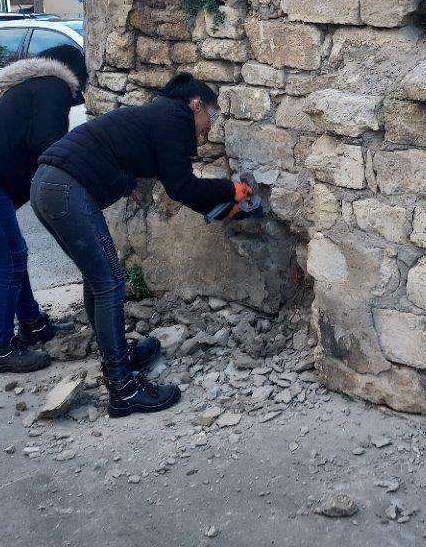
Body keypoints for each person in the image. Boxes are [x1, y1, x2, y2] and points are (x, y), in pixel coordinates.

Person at [31, 72, 258, 418]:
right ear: (196, 105)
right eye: (210, 117)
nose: (208, 128)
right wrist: (231, 190)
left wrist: (223, 208)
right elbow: (182, 186)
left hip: (48, 185)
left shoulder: (159, 115)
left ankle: (117, 358)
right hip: (65, 188)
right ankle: (123, 390)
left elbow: (166, 178)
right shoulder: (174, 118)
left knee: (98, 279)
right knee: (109, 284)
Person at [0, 45, 95, 374]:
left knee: (14, 256)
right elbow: (48, 145)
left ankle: (32, 324)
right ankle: (1, 350)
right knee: (11, 260)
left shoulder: (32, 88)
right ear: (75, 74)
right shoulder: (55, 87)